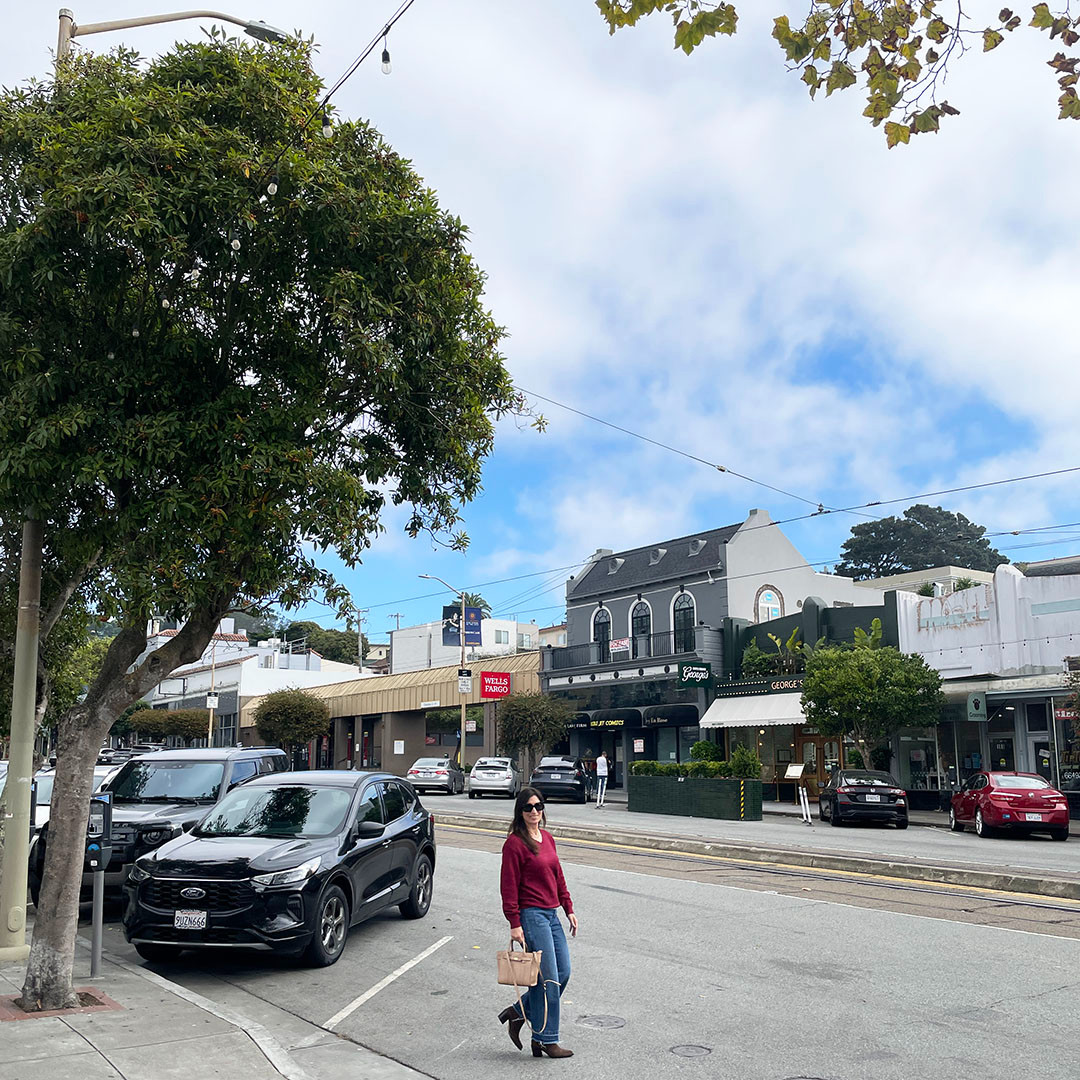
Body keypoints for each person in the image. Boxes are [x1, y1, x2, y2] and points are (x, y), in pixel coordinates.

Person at [498, 787, 578, 1058]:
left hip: (552, 914)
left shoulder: (547, 838)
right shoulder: (514, 844)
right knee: (549, 981)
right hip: (532, 916)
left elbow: (558, 876)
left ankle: (518, 1012)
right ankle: (546, 1039)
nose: (534, 811)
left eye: (538, 806)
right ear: (520, 812)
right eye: (529, 807)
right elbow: (508, 886)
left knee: (562, 973)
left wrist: (568, 908)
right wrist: (514, 922)